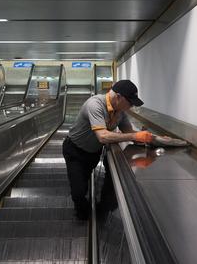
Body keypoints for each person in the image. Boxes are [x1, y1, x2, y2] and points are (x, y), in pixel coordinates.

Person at [62, 79, 154, 220]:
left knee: (84, 179)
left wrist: (147, 138)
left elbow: (128, 131)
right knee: (78, 190)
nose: (130, 107)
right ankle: (82, 213)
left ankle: (96, 211)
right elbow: (103, 137)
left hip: (93, 153)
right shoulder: (95, 105)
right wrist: (135, 135)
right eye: (129, 102)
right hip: (75, 150)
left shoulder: (120, 111)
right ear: (119, 97)